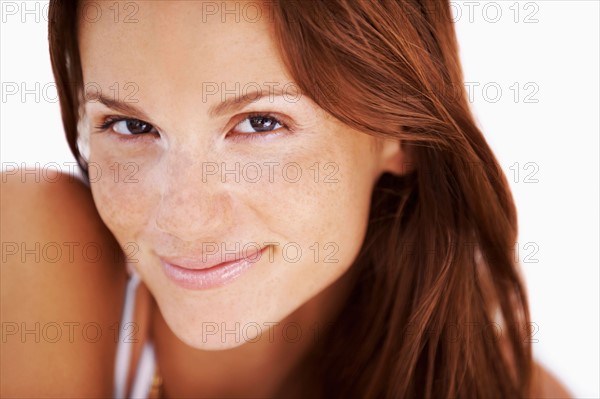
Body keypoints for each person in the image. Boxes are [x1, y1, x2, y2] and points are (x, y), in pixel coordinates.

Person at [1, 1, 573, 397]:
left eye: (259, 122)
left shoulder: (495, 388)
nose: (183, 215)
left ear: (399, 132)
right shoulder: (34, 247)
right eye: (129, 126)